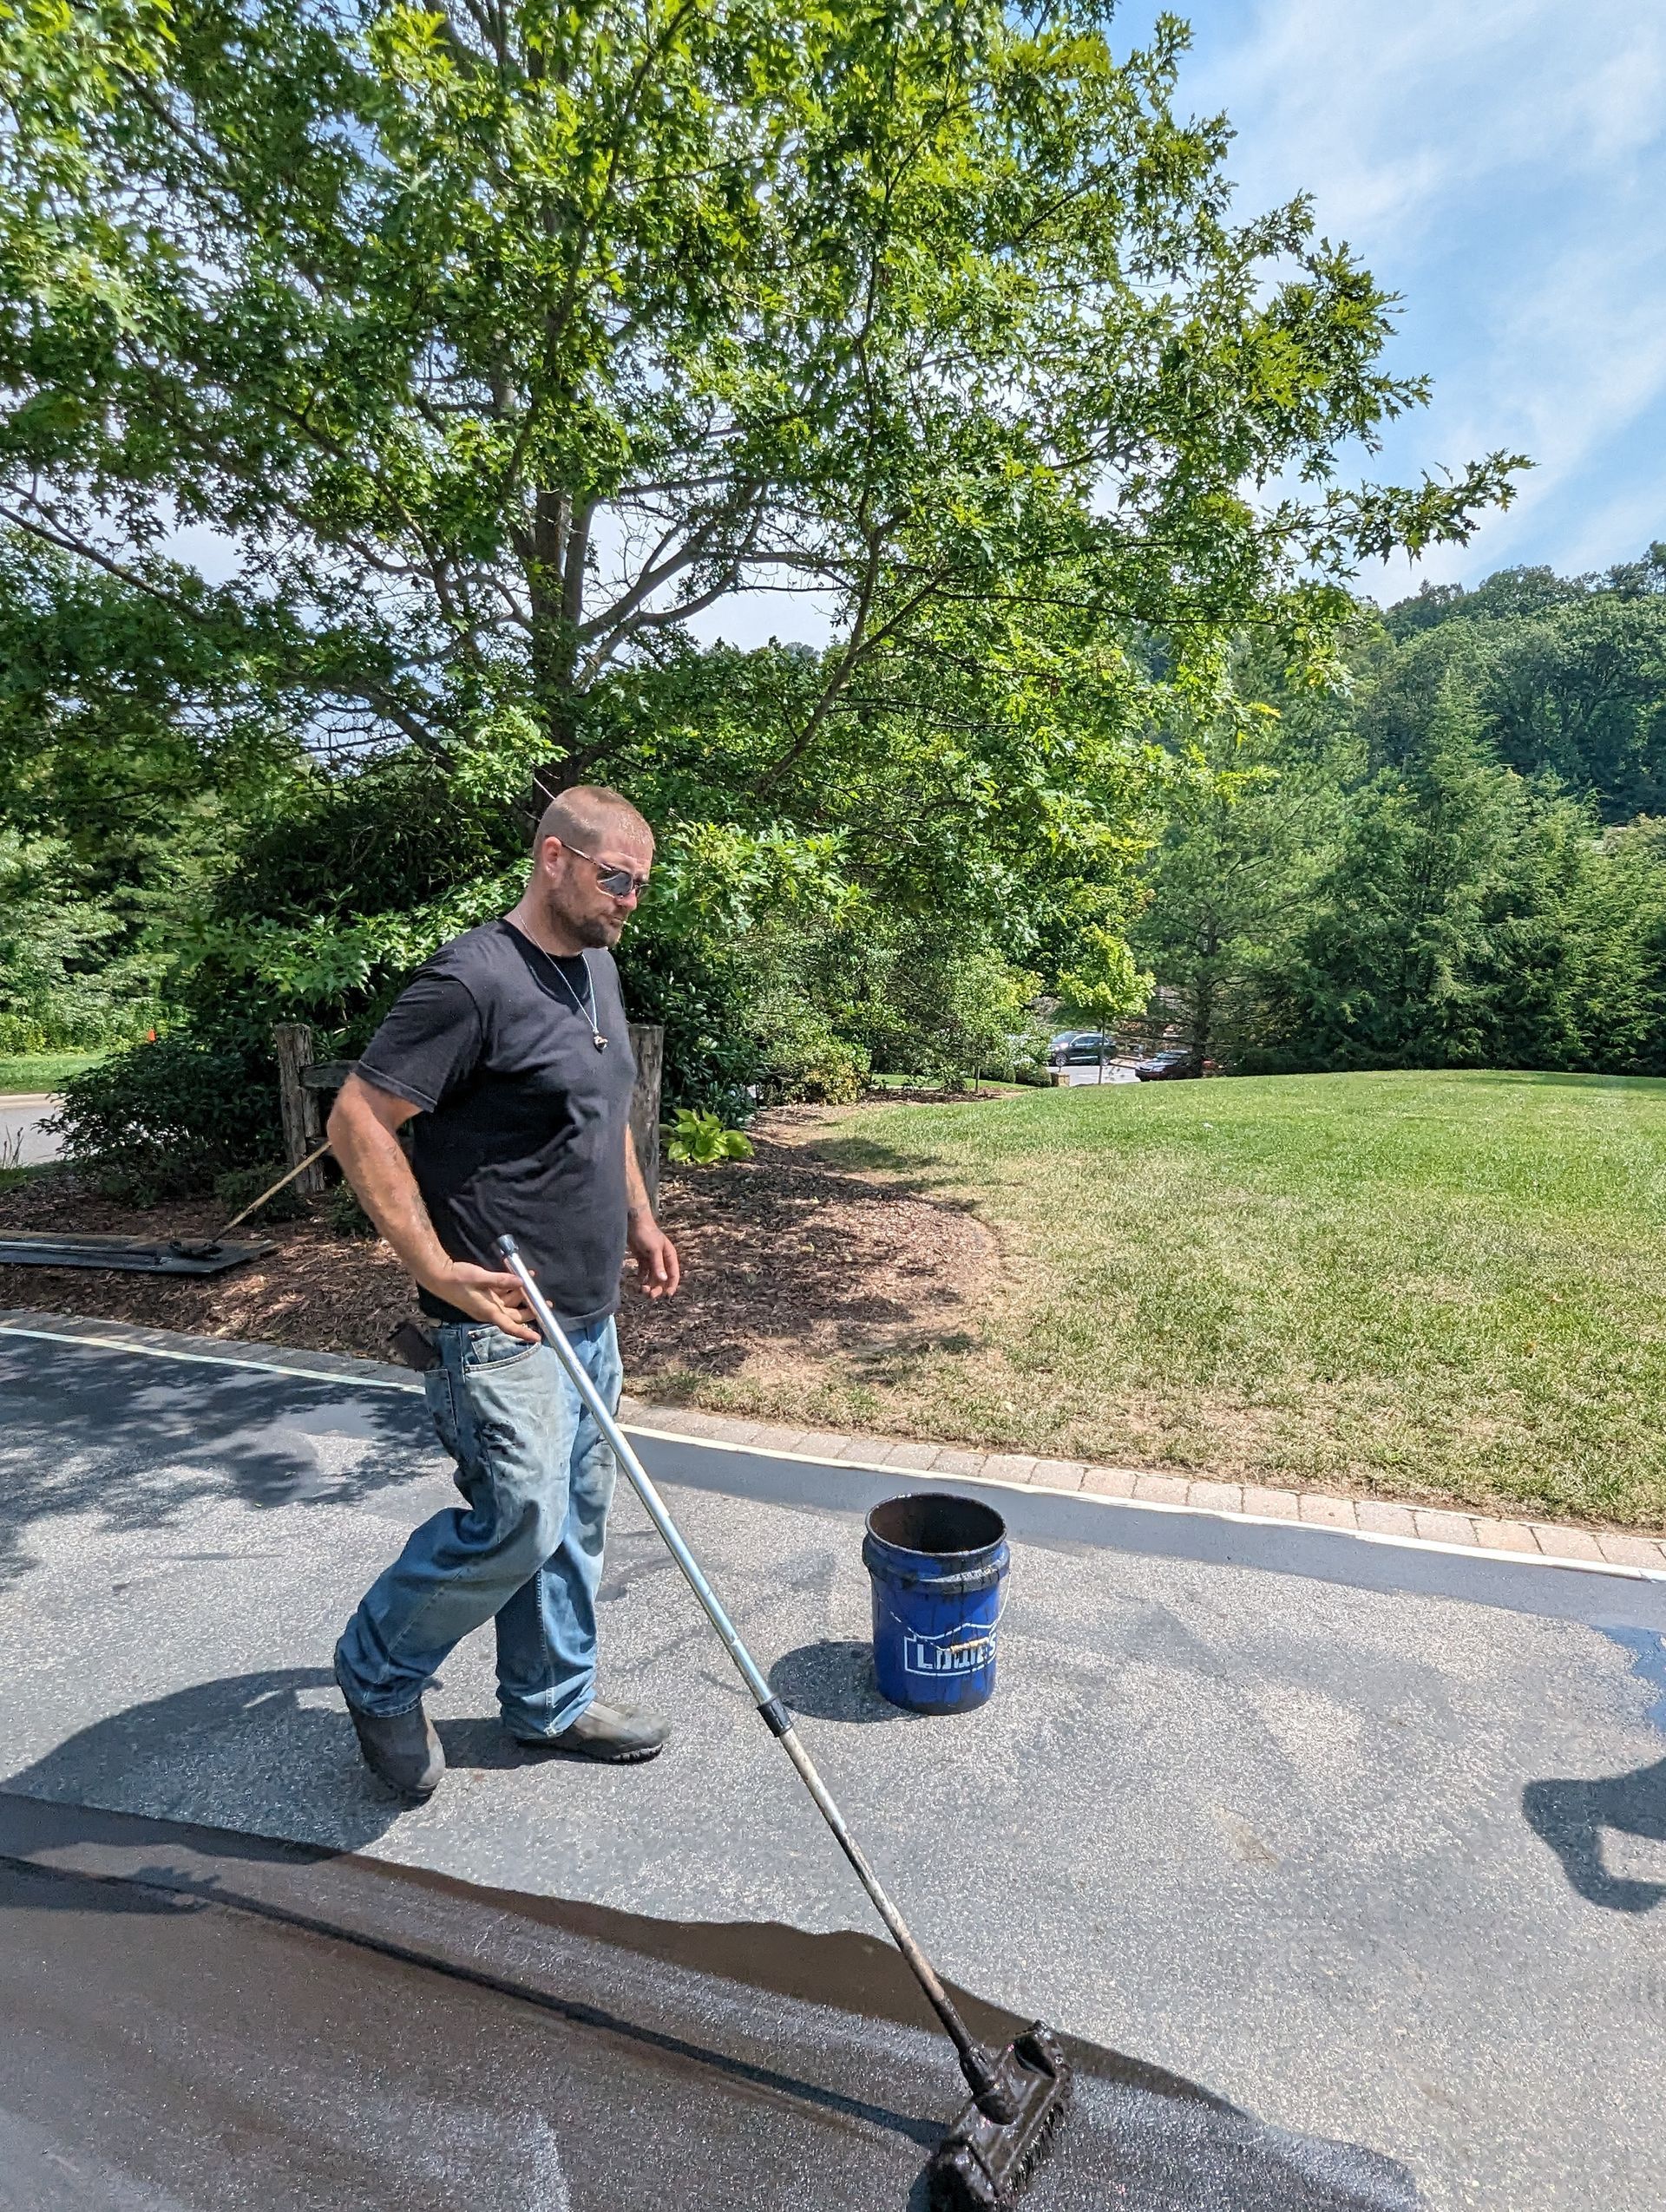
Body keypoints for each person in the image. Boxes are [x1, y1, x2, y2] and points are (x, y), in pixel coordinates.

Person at [326, 784, 680, 1803]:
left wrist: (642, 1219)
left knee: (573, 1517)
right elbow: (358, 1119)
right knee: (519, 1518)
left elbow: (601, 1109)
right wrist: (431, 1266)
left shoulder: (597, 970)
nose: (629, 901)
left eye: (642, 887)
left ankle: (550, 1702)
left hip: (587, 1312)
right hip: (498, 1321)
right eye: (617, 878)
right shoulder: (471, 981)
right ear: (556, 859)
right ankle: (379, 1672)